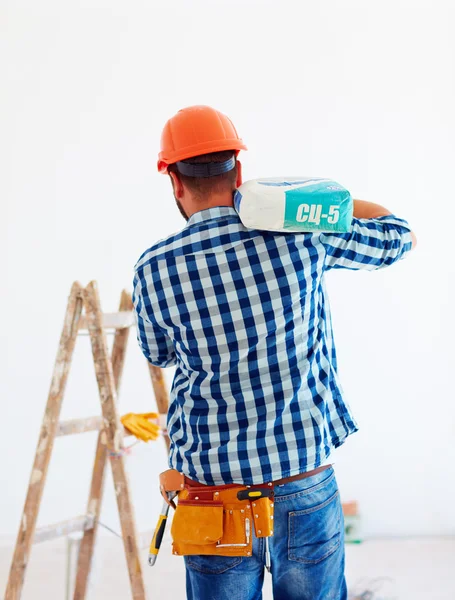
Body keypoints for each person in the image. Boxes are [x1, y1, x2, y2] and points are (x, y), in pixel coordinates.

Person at [133, 105, 416, 600]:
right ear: (239, 171)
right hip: (302, 478)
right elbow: (400, 236)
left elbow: (158, 354)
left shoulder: (153, 269)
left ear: (174, 182)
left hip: (212, 491)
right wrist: (311, 204)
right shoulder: (299, 235)